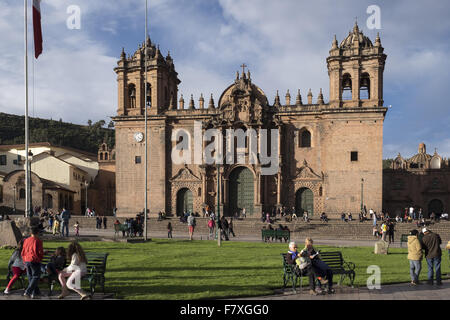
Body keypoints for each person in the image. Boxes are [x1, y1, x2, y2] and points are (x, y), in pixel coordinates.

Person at [21, 227, 44, 299]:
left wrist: (24, 259)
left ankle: (36, 292)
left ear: (30, 233)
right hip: (34, 260)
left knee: (30, 276)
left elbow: (23, 250)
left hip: (26, 259)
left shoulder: (26, 240)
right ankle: (28, 291)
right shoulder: (38, 241)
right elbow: (40, 252)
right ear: (37, 233)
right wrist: (40, 258)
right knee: (36, 276)